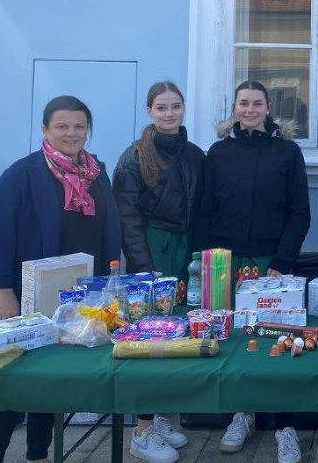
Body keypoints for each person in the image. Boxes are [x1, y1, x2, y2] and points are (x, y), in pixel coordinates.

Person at [0, 96, 122, 463]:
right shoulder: (22, 174)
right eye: (62, 126)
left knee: (50, 377)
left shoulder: (96, 172)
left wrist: (107, 283)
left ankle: (38, 453)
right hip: (27, 295)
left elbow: (110, 227)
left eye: (79, 126)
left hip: (77, 296)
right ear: (45, 130)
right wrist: (3, 293)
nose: (71, 133)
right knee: (12, 378)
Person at [196, 80, 310, 462]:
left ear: (267, 108)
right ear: (234, 107)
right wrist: (207, 261)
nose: (249, 110)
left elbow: (299, 212)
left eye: (256, 103)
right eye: (243, 103)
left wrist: (282, 262)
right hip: (226, 264)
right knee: (235, 341)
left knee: (276, 340)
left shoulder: (287, 152)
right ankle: (241, 414)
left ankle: (285, 426)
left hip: (269, 263)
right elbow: (206, 209)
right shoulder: (218, 153)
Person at [113, 81, 205, 463]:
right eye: (162, 107)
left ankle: (161, 416)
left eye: (176, 107)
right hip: (151, 248)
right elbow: (127, 218)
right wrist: (144, 268)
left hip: (183, 250)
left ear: (184, 110)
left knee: (177, 331)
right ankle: (141, 429)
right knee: (148, 337)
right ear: (149, 111)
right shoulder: (135, 157)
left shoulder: (195, 154)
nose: (170, 114)